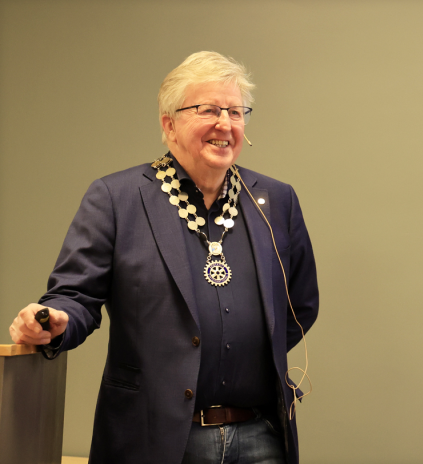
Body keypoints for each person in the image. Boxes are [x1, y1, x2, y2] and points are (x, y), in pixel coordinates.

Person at [8, 51, 319, 464]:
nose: (225, 124)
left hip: (261, 436)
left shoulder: (276, 200)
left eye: (235, 111)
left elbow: (301, 305)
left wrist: (245, 356)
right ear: (169, 124)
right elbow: (74, 297)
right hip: (154, 435)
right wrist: (55, 321)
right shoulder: (116, 198)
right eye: (208, 109)